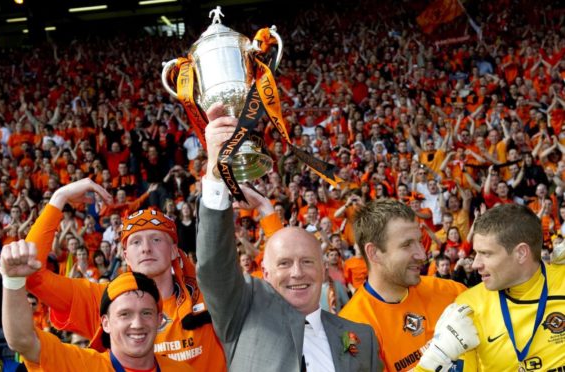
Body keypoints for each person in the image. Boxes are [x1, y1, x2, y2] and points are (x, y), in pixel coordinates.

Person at [197, 103, 381, 371]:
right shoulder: (242, 314)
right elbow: (215, 268)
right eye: (284, 264)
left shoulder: (362, 338)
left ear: (323, 270)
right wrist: (217, 170)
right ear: (265, 274)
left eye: (307, 262)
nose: (297, 273)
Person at [16, 178, 226, 371]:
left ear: (173, 250)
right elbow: (30, 274)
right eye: (136, 242)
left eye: (156, 239)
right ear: (125, 255)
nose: (146, 248)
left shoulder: (207, 296)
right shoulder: (103, 300)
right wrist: (59, 198)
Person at [0, 245, 194, 372]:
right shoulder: (82, 365)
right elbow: (22, 340)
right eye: (124, 314)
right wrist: (13, 281)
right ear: (106, 323)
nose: (137, 323)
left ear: (159, 320)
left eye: (146, 313)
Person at [419, 204, 565, 371]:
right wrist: (435, 360)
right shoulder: (468, 307)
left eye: (486, 254)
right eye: (476, 253)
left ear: (521, 253)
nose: (475, 264)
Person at [338, 199, 466, 371]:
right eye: (406, 245)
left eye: (419, 241)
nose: (422, 254)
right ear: (374, 253)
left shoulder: (450, 291)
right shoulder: (352, 327)